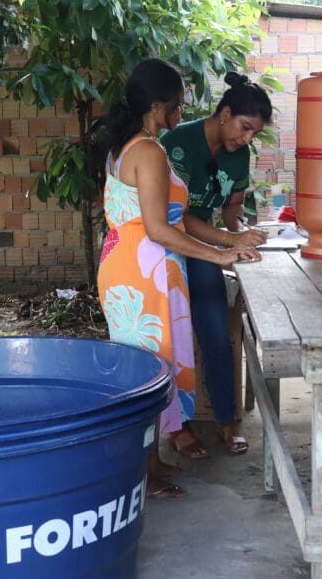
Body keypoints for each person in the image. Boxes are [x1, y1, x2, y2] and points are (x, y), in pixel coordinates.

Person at [99, 59, 261, 499]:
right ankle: (144, 474)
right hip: (143, 267)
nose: (180, 115)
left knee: (150, 366)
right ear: (158, 105)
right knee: (150, 369)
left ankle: (150, 463)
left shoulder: (128, 145)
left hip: (139, 265)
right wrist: (221, 253)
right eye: (177, 106)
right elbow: (160, 227)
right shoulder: (147, 151)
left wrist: (224, 244)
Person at [161, 72, 272, 457]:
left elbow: (232, 208)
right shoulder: (176, 143)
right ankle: (178, 428)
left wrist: (243, 237)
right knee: (168, 341)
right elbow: (175, 215)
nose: (246, 139)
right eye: (244, 127)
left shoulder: (239, 154)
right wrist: (228, 241)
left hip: (205, 248)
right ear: (224, 113)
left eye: (253, 134)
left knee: (215, 333)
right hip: (166, 248)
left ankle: (227, 420)